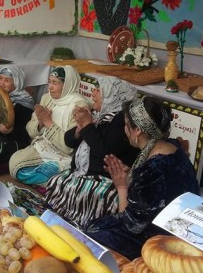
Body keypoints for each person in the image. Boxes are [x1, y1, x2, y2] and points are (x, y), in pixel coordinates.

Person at [85, 96, 200, 260]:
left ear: (137, 130)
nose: (125, 130)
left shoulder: (152, 170)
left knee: (93, 231)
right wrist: (132, 173)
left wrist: (122, 186)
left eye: (126, 125)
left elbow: (131, 225)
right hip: (180, 224)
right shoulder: (174, 147)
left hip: (162, 240)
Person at [44, 76, 139, 228]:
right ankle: (61, 222)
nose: (92, 94)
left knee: (87, 194)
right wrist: (79, 130)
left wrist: (88, 125)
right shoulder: (99, 116)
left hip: (107, 179)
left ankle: (83, 227)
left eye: (98, 90)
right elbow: (69, 141)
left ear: (112, 95)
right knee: (56, 181)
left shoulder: (121, 122)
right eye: (93, 89)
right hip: (85, 172)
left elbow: (106, 153)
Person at [9, 66, 90, 187]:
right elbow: (30, 130)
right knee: (14, 163)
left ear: (67, 84)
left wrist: (48, 122)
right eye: (49, 82)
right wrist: (40, 123)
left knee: (22, 170)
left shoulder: (80, 105)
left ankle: (59, 183)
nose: (50, 87)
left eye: (55, 83)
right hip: (42, 147)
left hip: (64, 156)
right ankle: (57, 183)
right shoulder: (47, 98)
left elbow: (69, 147)